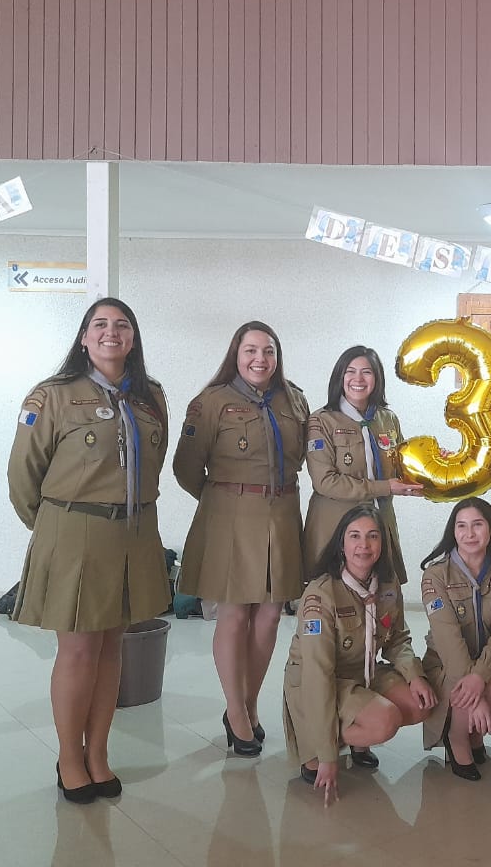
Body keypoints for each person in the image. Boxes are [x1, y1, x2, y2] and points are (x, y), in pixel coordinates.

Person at [7, 297, 170, 804]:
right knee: (78, 651)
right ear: (83, 337)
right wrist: (54, 529)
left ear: (133, 338)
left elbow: (154, 462)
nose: (110, 332)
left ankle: (98, 753)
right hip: (74, 531)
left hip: (132, 535)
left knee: (111, 649)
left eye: (122, 324)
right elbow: (22, 475)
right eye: (99, 324)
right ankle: (69, 758)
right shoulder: (52, 395)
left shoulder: (150, 397)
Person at [173, 321, 310, 756]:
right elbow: (185, 468)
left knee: (268, 617)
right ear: (236, 353)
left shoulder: (294, 400)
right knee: (233, 615)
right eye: (250, 350)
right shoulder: (211, 402)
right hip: (230, 516)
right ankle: (235, 710)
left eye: (268, 351)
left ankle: (250, 703)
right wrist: (223, 500)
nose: (259, 359)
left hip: (282, 515)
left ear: (277, 356)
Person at [282, 505, 436, 806]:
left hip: (363, 671)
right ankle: (315, 744)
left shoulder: (388, 585)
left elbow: (397, 639)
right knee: (385, 720)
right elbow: (317, 673)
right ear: (341, 543)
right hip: (318, 681)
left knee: (421, 704)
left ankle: (356, 735)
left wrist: (415, 676)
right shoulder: (321, 594)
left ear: (382, 543)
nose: (363, 545)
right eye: (354, 536)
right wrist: (327, 755)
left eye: (372, 536)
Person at [417, 497, 491, 780]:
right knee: (490, 683)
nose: (469, 533)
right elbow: (447, 638)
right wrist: (476, 684)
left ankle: (470, 729)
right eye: (461, 526)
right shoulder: (435, 575)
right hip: (446, 664)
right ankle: (457, 738)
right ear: (453, 531)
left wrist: (480, 675)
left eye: (477, 525)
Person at [302, 346, 423, 583]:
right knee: (333, 596)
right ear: (340, 376)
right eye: (350, 371)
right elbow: (325, 482)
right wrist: (384, 487)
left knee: (383, 594)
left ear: (377, 379)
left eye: (366, 372)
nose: (358, 379)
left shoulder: (387, 419)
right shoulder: (322, 421)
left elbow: (402, 469)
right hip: (336, 527)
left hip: (379, 524)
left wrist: (431, 465)